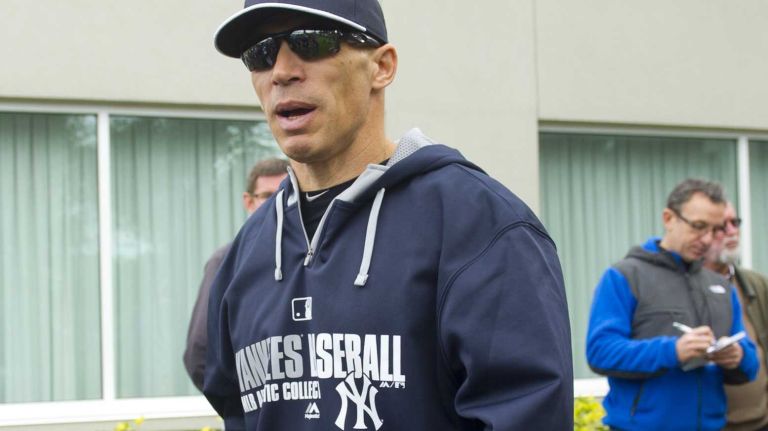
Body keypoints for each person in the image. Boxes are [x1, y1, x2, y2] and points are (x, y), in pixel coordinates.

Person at [204, 0, 574, 429]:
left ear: (382, 66)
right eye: (260, 53)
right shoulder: (248, 251)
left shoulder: (480, 225)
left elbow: (526, 414)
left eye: (311, 42)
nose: (282, 70)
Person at [587, 178, 759, 431]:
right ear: (669, 218)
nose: (708, 239)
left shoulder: (722, 286)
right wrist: (673, 351)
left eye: (715, 229)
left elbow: (751, 366)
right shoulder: (623, 276)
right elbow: (600, 352)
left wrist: (739, 356)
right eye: (699, 227)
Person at [183, 157, 288, 391]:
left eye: (285, 193)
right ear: (249, 202)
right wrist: (244, 412)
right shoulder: (227, 262)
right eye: (267, 196)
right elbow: (200, 356)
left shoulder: (311, 258)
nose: (277, 204)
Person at [704, 201, 768, 431]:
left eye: (735, 222)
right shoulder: (683, 289)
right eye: (722, 225)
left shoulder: (756, 284)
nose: (732, 231)